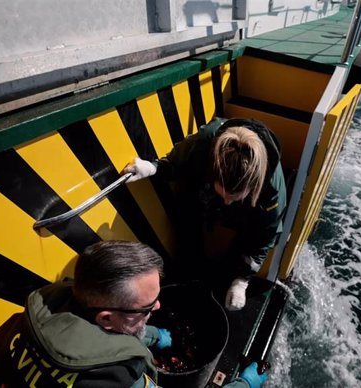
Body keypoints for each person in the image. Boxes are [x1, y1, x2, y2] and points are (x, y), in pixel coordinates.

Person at [0, 240, 268, 388]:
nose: (157, 307)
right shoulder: (118, 380)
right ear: (106, 318)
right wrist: (243, 384)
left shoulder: (43, 310)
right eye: (147, 308)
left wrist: (153, 335)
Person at [123, 117, 286, 311]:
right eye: (223, 195)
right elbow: (179, 163)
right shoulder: (205, 144)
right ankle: (190, 265)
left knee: (249, 235)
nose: (227, 202)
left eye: (233, 198)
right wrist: (154, 168)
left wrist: (242, 279)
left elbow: (265, 236)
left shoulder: (271, 190)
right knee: (188, 207)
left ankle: (230, 273)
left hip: (249, 207)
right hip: (206, 189)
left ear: (254, 187)